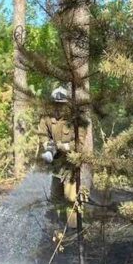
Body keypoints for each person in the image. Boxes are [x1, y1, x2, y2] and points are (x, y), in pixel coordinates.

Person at [38, 86, 78, 228]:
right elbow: (43, 134)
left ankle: (73, 229)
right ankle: (57, 227)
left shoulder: (74, 119)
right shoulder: (47, 117)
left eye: (61, 104)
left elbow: (79, 142)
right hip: (56, 164)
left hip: (70, 163)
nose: (58, 107)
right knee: (55, 196)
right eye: (56, 104)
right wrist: (48, 146)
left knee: (70, 197)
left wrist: (62, 146)